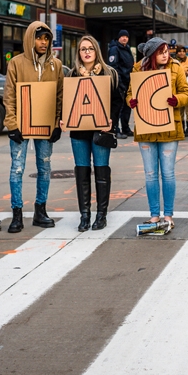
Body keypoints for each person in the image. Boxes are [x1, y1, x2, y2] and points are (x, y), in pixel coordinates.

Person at [2, 22, 64, 234]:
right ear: (30, 39)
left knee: (45, 167)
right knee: (17, 169)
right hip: (20, 125)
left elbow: (59, 97)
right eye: (39, 38)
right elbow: (9, 96)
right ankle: (17, 213)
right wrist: (12, 124)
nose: (43, 43)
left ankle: (40, 211)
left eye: (47, 39)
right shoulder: (17, 63)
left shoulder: (56, 65)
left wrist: (57, 124)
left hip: (45, 125)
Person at [127, 37, 188, 228]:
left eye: (167, 52)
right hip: (146, 128)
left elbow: (186, 94)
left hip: (170, 128)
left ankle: (168, 215)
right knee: (150, 174)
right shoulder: (139, 69)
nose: (166, 55)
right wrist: (131, 101)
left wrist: (176, 100)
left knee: (168, 173)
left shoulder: (176, 68)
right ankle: (154, 214)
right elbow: (130, 93)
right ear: (152, 54)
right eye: (161, 52)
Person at [66, 35, 120, 231]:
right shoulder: (72, 75)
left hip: (101, 130)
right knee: (81, 171)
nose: (87, 52)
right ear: (78, 53)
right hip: (79, 131)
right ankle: (85, 215)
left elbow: (117, 100)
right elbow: (67, 102)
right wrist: (65, 118)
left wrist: (111, 120)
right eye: (83, 49)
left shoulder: (109, 73)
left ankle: (101, 215)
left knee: (101, 170)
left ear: (97, 51)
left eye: (90, 48)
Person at [108, 30, 135, 139]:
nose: (125, 38)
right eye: (123, 37)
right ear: (118, 38)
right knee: (118, 108)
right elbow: (114, 67)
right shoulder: (115, 49)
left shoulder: (127, 48)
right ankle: (116, 129)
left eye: (126, 37)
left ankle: (125, 128)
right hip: (120, 83)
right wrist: (119, 82)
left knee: (127, 107)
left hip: (128, 82)